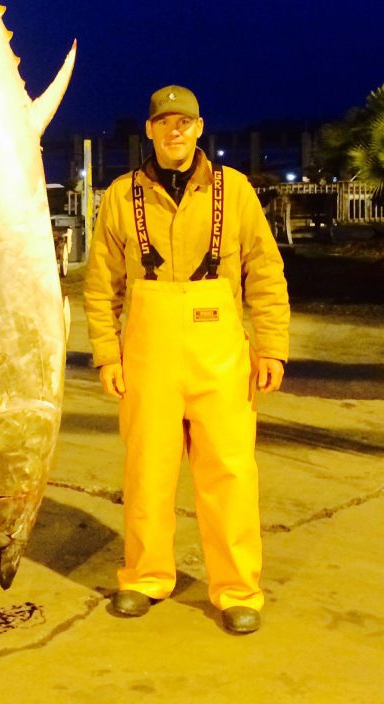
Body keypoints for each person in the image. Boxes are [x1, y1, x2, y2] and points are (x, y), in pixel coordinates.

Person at [83, 86, 289, 635]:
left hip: (221, 358)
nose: (176, 130)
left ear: (200, 129)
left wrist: (270, 345)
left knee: (229, 472)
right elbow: (101, 284)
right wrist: (107, 353)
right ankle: (145, 576)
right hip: (147, 357)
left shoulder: (235, 190)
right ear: (149, 130)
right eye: (164, 122)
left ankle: (237, 588)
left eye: (186, 122)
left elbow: (264, 273)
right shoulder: (120, 196)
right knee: (147, 471)